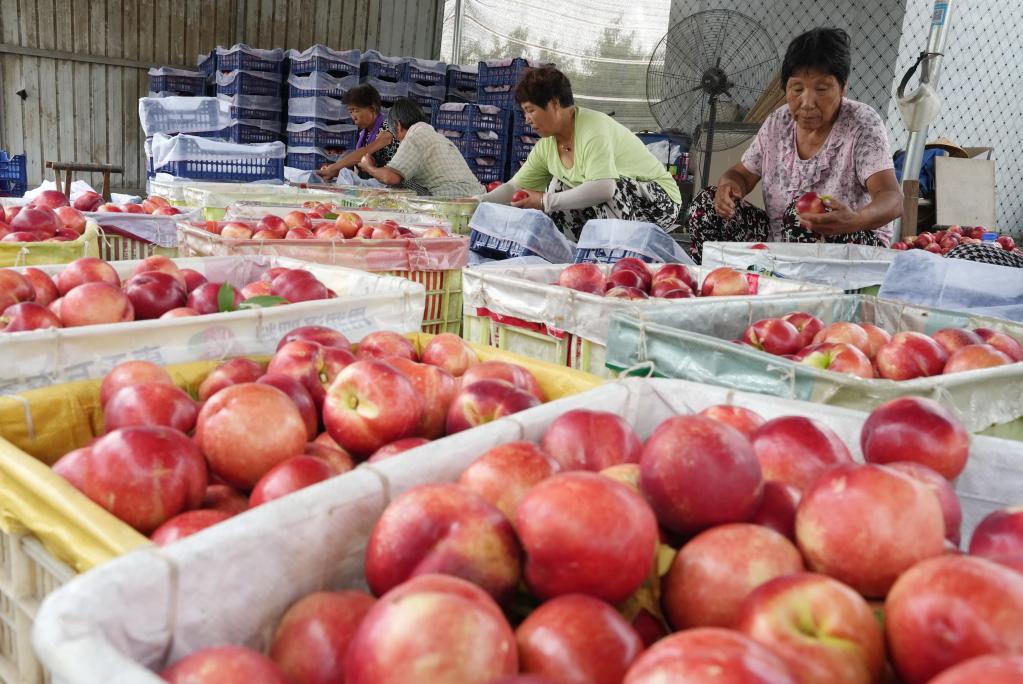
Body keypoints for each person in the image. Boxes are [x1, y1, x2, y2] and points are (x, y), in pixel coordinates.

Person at [686, 28, 904, 262]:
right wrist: (728, 188)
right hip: (780, 242)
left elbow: (892, 199)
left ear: (842, 88)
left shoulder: (861, 122)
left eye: (821, 89)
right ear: (786, 89)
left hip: (851, 244)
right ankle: (714, 286)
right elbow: (740, 174)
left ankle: (799, 295)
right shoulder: (778, 122)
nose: (807, 102)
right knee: (706, 205)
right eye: (797, 89)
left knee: (803, 213)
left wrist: (855, 219)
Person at [478, 66, 682, 240]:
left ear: (554, 104)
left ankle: (614, 256)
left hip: (658, 204)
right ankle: (574, 255)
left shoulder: (593, 129)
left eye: (530, 110)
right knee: (558, 186)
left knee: (604, 184)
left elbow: (604, 189)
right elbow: (516, 186)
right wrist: (478, 202)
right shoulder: (547, 145)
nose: (527, 119)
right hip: (619, 205)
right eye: (524, 112)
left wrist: (545, 201)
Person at [357, 98, 485, 198]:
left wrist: (369, 168)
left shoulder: (414, 138)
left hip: (451, 202)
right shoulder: (438, 137)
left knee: (400, 178)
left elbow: (390, 177)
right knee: (405, 178)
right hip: (477, 199)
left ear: (398, 125)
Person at [317, 84, 400, 182]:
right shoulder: (363, 134)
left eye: (356, 110)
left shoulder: (388, 128)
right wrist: (332, 170)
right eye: (350, 112)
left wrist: (333, 168)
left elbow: (365, 151)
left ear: (372, 109)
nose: (353, 117)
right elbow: (357, 162)